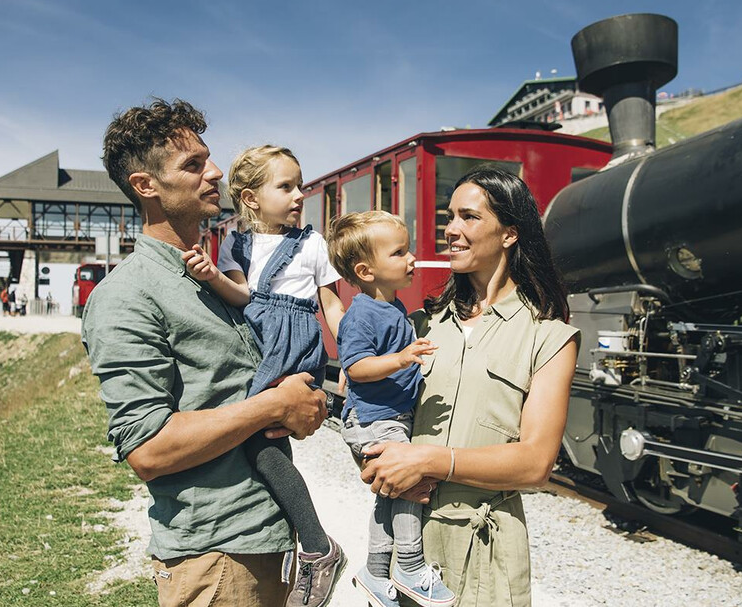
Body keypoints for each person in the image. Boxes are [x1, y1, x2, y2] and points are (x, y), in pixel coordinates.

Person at [81, 99, 328, 607]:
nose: (214, 172)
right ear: (146, 186)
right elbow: (148, 449)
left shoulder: (218, 278)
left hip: (270, 544)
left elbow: (248, 390)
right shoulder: (126, 295)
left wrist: (305, 406)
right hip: (217, 561)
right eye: (192, 165)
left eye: (207, 158)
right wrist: (272, 406)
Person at [359, 167, 579, 607]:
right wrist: (375, 459)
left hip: (486, 552)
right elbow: (374, 407)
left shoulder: (550, 336)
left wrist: (426, 459)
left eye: (469, 217)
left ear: (509, 234)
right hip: (409, 547)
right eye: (449, 216)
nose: (451, 229)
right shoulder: (419, 326)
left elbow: (536, 463)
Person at [182, 145, 347, 607]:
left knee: (260, 437)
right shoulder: (236, 242)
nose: (300, 195)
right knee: (261, 440)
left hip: (291, 345)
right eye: (286, 186)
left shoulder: (313, 243)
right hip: (254, 338)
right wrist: (212, 274)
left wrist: (350, 359)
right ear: (251, 199)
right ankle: (308, 544)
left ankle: (316, 546)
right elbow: (239, 295)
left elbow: (331, 305)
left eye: (301, 185)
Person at [326, 211, 455, 607]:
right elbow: (357, 368)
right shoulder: (363, 314)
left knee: (388, 498)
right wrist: (402, 359)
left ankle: (376, 572)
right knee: (408, 491)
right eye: (399, 252)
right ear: (366, 271)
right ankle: (411, 568)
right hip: (376, 421)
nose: (412, 257)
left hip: (387, 418)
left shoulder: (393, 307)